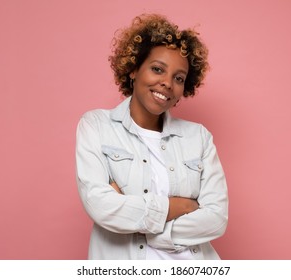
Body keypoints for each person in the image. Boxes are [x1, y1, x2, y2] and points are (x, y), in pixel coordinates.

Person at [75, 14, 228, 260]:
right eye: (157, 69)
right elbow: (100, 206)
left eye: (179, 78)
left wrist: (141, 223)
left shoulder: (198, 137)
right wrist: (180, 207)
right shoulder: (97, 126)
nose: (167, 83)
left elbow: (216, 219)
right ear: (134, 70)